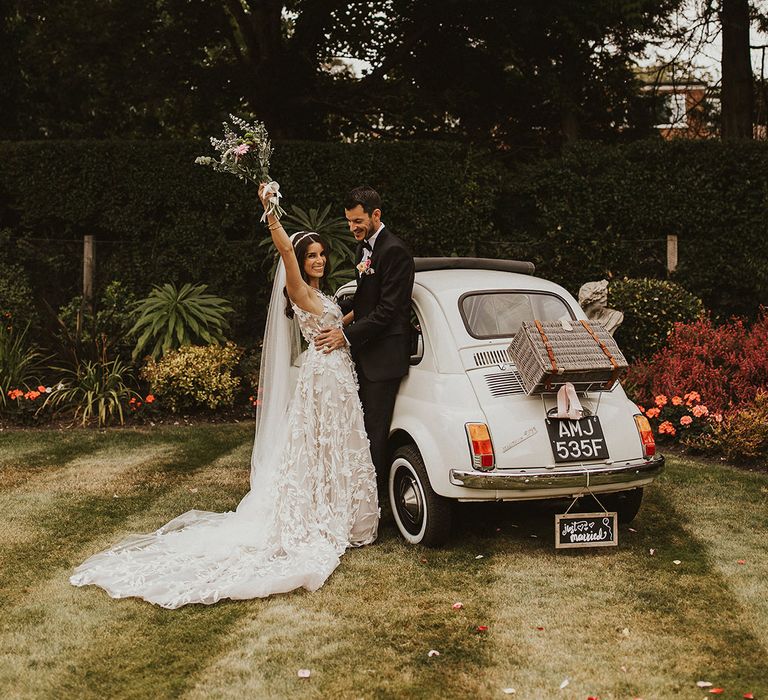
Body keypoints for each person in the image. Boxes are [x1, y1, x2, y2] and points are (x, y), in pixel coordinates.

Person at [68, 184, 378, 609]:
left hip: (336, 375)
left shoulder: (321, 295)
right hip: (322, 378)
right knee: (319, 444)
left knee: (333, 447)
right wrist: (270, 211)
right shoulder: (298, 290)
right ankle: (320, 517)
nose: (319, 260)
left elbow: (340, 321)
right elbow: (286, 252)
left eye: (322, 254)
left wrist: (365, 299)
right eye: (312, 255)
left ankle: (339, 510)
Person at [314, 186, 415, 492]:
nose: (352, 227)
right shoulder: (363, 249)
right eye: (348, 221)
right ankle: (360, 495)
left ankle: (377, 502)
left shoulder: (394, 250)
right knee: (360, 429)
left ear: (375, 215)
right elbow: (364, 301)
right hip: (365, 352)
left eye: (357, 221)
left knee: (374, 430)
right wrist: (336, 319)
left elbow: (387, 312)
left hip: (385, 358)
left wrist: (343, 336)